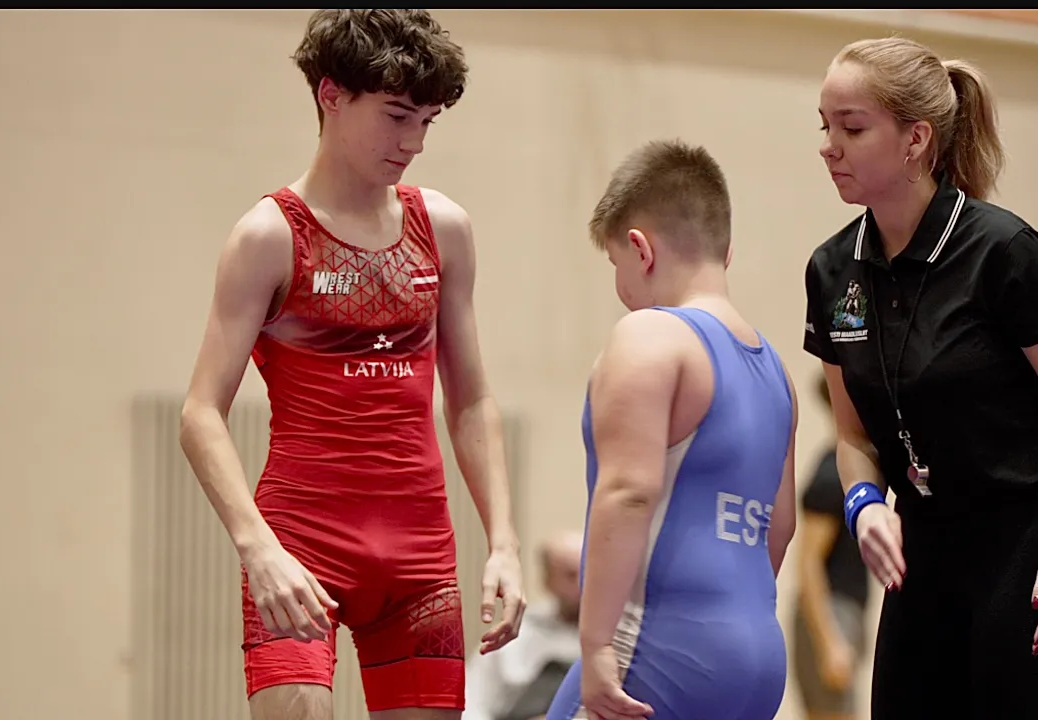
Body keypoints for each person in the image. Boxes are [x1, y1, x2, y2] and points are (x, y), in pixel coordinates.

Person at [178, 10, 526, 719]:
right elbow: (199, 412)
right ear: (330, 94)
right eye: (398, 116)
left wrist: (504, 544)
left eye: (428, 121)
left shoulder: (445, 230)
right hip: (301, 549)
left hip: (421, 559)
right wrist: (257, 549)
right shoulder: (270, 237)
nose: (414, 143)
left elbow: (470, 400)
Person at [803, 37, 1038, 719]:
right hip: (921, 556)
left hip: (1031, 552)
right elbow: (853, 434)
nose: (829, 145)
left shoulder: (1006, 253)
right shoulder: (831, 271)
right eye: (824, 126)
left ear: (916, 139)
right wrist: (862, 504)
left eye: (852, 128)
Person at [545, 139, 799, 720]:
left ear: (641, 248)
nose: (621, 287)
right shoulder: (776, 373)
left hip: (659, 643)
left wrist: (597, 644)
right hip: (756, 654)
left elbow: (629, 492)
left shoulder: (651, 336)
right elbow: (776, 530)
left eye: (616, 265)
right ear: (725, 251)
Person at [793, 375, 870, 720]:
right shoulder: (830, 476)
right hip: (828, 616)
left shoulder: (850, 477)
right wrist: (829, 641)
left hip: (844, 614)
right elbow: (808, 565)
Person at [463, 531, 585, 720]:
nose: (581, 584)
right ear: (548, 581)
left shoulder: (623, 636)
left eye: (588, 573)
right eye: (570, 575)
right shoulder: (513, 635)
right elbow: (473, 704)